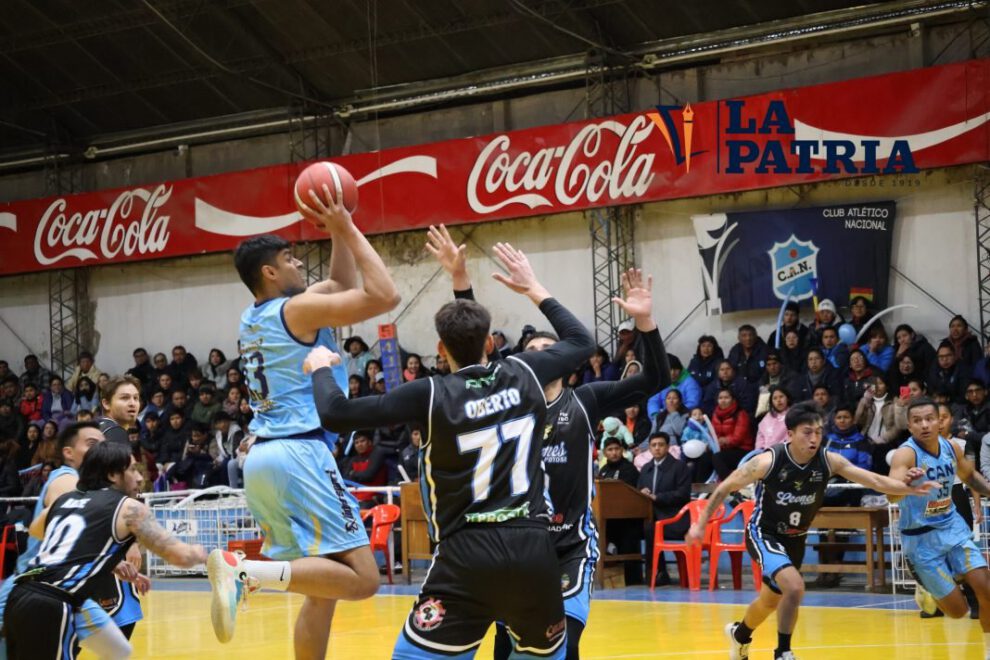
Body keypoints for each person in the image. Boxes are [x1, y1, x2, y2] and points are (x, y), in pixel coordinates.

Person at [308, 239, 595, 659]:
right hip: (533, 553)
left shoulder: (427, 394)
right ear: (493, 345)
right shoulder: (525, 372)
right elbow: (581, 341)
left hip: (466, 556)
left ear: (440, 351)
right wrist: (532, 286)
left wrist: (319, 369)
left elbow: (334, 413)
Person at [425, 224, 666, 657]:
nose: (538, 352)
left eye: (546, 347)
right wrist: (460, 279)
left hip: (567, 545)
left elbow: (656, 379)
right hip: (512, 543)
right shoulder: (508, 396)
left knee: (562, 647)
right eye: (530, 347)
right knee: (505, 647)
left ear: (566, 361)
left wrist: (644, 322)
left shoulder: (587, 400)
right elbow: (472, 340)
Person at [208, 185, 400, 654]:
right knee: (363, 579)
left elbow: (336, 285)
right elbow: (383, 295)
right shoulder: (295, 309)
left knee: (323, 591)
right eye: (291, 259)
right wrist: (349, 226)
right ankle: (245, 573)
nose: (299, 265)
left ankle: (249, 574)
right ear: (270, 272)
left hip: (263, 461)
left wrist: (337, 230)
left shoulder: (254, 316)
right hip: (299, 454)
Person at [687, 402, 938, 660]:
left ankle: (740, 635)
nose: (814, 438)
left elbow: (873, 479)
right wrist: (700, 524)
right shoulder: (767, 462)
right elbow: (724, 487)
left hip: (796, 537)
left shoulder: (829, 461)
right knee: (794, 587)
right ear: (790, 434)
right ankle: (783, 652)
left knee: (770, 601)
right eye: (807, 432)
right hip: (765, 533)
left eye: (818, 432)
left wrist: (907, 488)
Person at [6, 441, 208, 659]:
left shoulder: (65, 500)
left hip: (19, 595)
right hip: (52, 603)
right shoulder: (129, 508)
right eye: (132, 470)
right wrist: (203, 553)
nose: (140, 478)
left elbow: (36, 530)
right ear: (112, 475)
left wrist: (110, 562)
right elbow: (180, 556)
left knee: (119, 651)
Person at [0, 422, 139, 659]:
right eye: (92, 445)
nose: (99, 450)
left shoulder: (89, 489)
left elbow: (81, 535)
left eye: (102, 445)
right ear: (68, 453)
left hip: (66, 591)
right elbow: (75, 531)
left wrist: (113, 561)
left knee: (119, 651)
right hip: (32, 586)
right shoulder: (67, 480)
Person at [888, 398, 990, 651]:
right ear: (909, 426)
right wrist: (907, 485)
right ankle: (929, 583)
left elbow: (969, 475)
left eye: (929, 419)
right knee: (958, 612)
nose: (924, 425)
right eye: (917, 420)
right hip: (920, 539)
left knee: (986, 588)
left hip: (951, 527)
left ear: (940, 421)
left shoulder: (951, 447)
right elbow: (891, 494)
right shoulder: (906, 453)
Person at [638, 432, 691, 586]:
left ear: (668, 447)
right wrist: (642, 493)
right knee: (634, 529)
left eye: (661, 445)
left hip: (674, 519)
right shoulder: (646, 468)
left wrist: (658, 497)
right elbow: (638, 488)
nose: (657, 448)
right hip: (651, 516)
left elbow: (683, 494)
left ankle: (657, 573)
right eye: (653, 445)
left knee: (650, 529)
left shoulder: (679, 467)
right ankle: (633, 574)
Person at [710, 388, 755, 480]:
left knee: (718, 457)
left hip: (742, 450)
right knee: (704, 457)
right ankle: (702, 489)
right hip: (724, 449)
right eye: (720, 398)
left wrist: (723, 440)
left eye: (726, 397)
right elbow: (713, 433)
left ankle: (729, 485)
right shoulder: (715, 414)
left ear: (733, 400)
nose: (723, 400)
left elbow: (738, 438)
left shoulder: (741, 414)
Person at [929, 341, 971, 405]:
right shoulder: (934, 368)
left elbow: (964, 394)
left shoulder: (963, 369)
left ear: (954, 356)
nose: (945, 359)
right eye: (941, 357)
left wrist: (947, 398)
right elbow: (931, 389)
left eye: (948, 355)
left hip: (958, 404)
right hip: (938, 403)